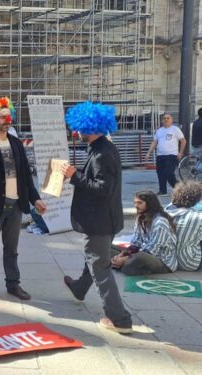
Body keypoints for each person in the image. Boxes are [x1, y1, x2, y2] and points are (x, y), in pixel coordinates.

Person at [60, 101, 133, 334]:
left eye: (80, 127)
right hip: (105, 219)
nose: (77, 132)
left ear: (90, 127)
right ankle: (80, 288)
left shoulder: (102, 153)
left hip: (100, 221)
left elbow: (102, 189)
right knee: (94, 257)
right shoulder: (101, 148)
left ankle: (119, 318)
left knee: (98, 264)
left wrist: (74, 176)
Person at [0, 97, 47, 303]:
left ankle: (13, 283)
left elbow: (25, 176)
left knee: (12, 249)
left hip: (16, 205)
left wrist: (36, 200)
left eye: (9, 116)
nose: (8, 120)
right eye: (2, 116)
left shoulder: (16, 143)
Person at [111, 191, 178, 275]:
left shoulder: (160, 222)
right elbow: (136, 243)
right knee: (107, 247)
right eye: (135, 203)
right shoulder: (140, 218)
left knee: (139, 257)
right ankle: (121, 264)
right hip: (142, 253)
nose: (136, 206)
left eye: (139, 203)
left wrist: (125, 259)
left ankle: (123, 265)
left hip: (162, 261)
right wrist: (122, 255)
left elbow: (152, 250)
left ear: (150, 204)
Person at [145, 113, 186, 195]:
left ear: (171, 120)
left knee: (168, 172)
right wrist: (149, 152)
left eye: (168, 118)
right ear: (162, 120)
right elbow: (154, 142)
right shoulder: (159, 131)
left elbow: (183, 141)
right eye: (164, 118)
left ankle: (179, 189)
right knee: (160, 173)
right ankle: (162, 190)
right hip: (160, 155)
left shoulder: (175, 129)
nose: (166, 119)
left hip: (171, 155)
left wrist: (180, 153)